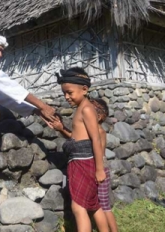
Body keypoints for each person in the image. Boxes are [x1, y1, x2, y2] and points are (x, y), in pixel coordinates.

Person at [48, 67, 108, 232]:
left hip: (84, 164)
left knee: (79, 207)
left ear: (84, 89)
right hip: (78, 163)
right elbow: (77, 138)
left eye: (69, 92)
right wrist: (60, 128)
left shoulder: (87, 109)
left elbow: (95, 139)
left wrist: (100, 169)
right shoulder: (80, 109)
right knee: (93, 204)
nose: (67, 97)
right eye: (64, 93)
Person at [91, 98, 118, 232]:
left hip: (100, 169)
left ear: (99, 116)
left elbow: (100, 155)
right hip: (98, 168)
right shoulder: (95, 130)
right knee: (100, 203)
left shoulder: (99, 131)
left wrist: (98, 170)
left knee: (104, 205)